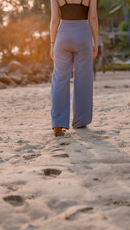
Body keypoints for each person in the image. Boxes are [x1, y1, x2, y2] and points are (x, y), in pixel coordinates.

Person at [50, 0, 98, 137]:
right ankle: (80, 122)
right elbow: (93, 18)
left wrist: (52, 43)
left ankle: (58, 124)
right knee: (83, 79)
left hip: (63, 36)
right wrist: (96, 42)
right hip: (83, 36)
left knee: (59, 79)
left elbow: (54, 20)